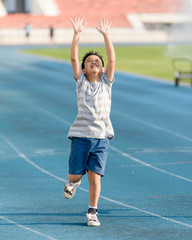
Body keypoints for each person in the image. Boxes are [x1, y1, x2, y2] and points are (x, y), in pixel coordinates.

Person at [63, 15, 115, 227]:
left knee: (96, 176)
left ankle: (92, 212)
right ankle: (73, 183)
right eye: (90, 61)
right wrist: (77, 34)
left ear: (102, 69)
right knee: (74, 176)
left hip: (102, 137)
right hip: (81, 136)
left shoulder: (106, 83)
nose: (94, 62)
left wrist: (106, 36)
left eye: (97, 61)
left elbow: (112, 60)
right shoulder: (81, 83)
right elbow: (74, 59)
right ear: (84, 70)